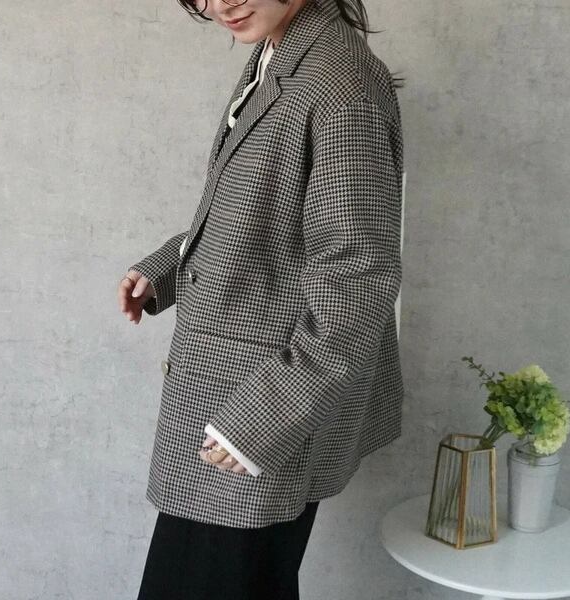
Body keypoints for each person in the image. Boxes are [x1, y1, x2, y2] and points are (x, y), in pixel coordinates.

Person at [117, 0, 405, 597]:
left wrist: (266, 417)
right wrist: (165, 269)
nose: (220, 3)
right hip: (226, 400)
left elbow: (360, 275)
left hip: (258, 408)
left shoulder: (340, 84)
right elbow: (258, 214)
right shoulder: (277, 51)